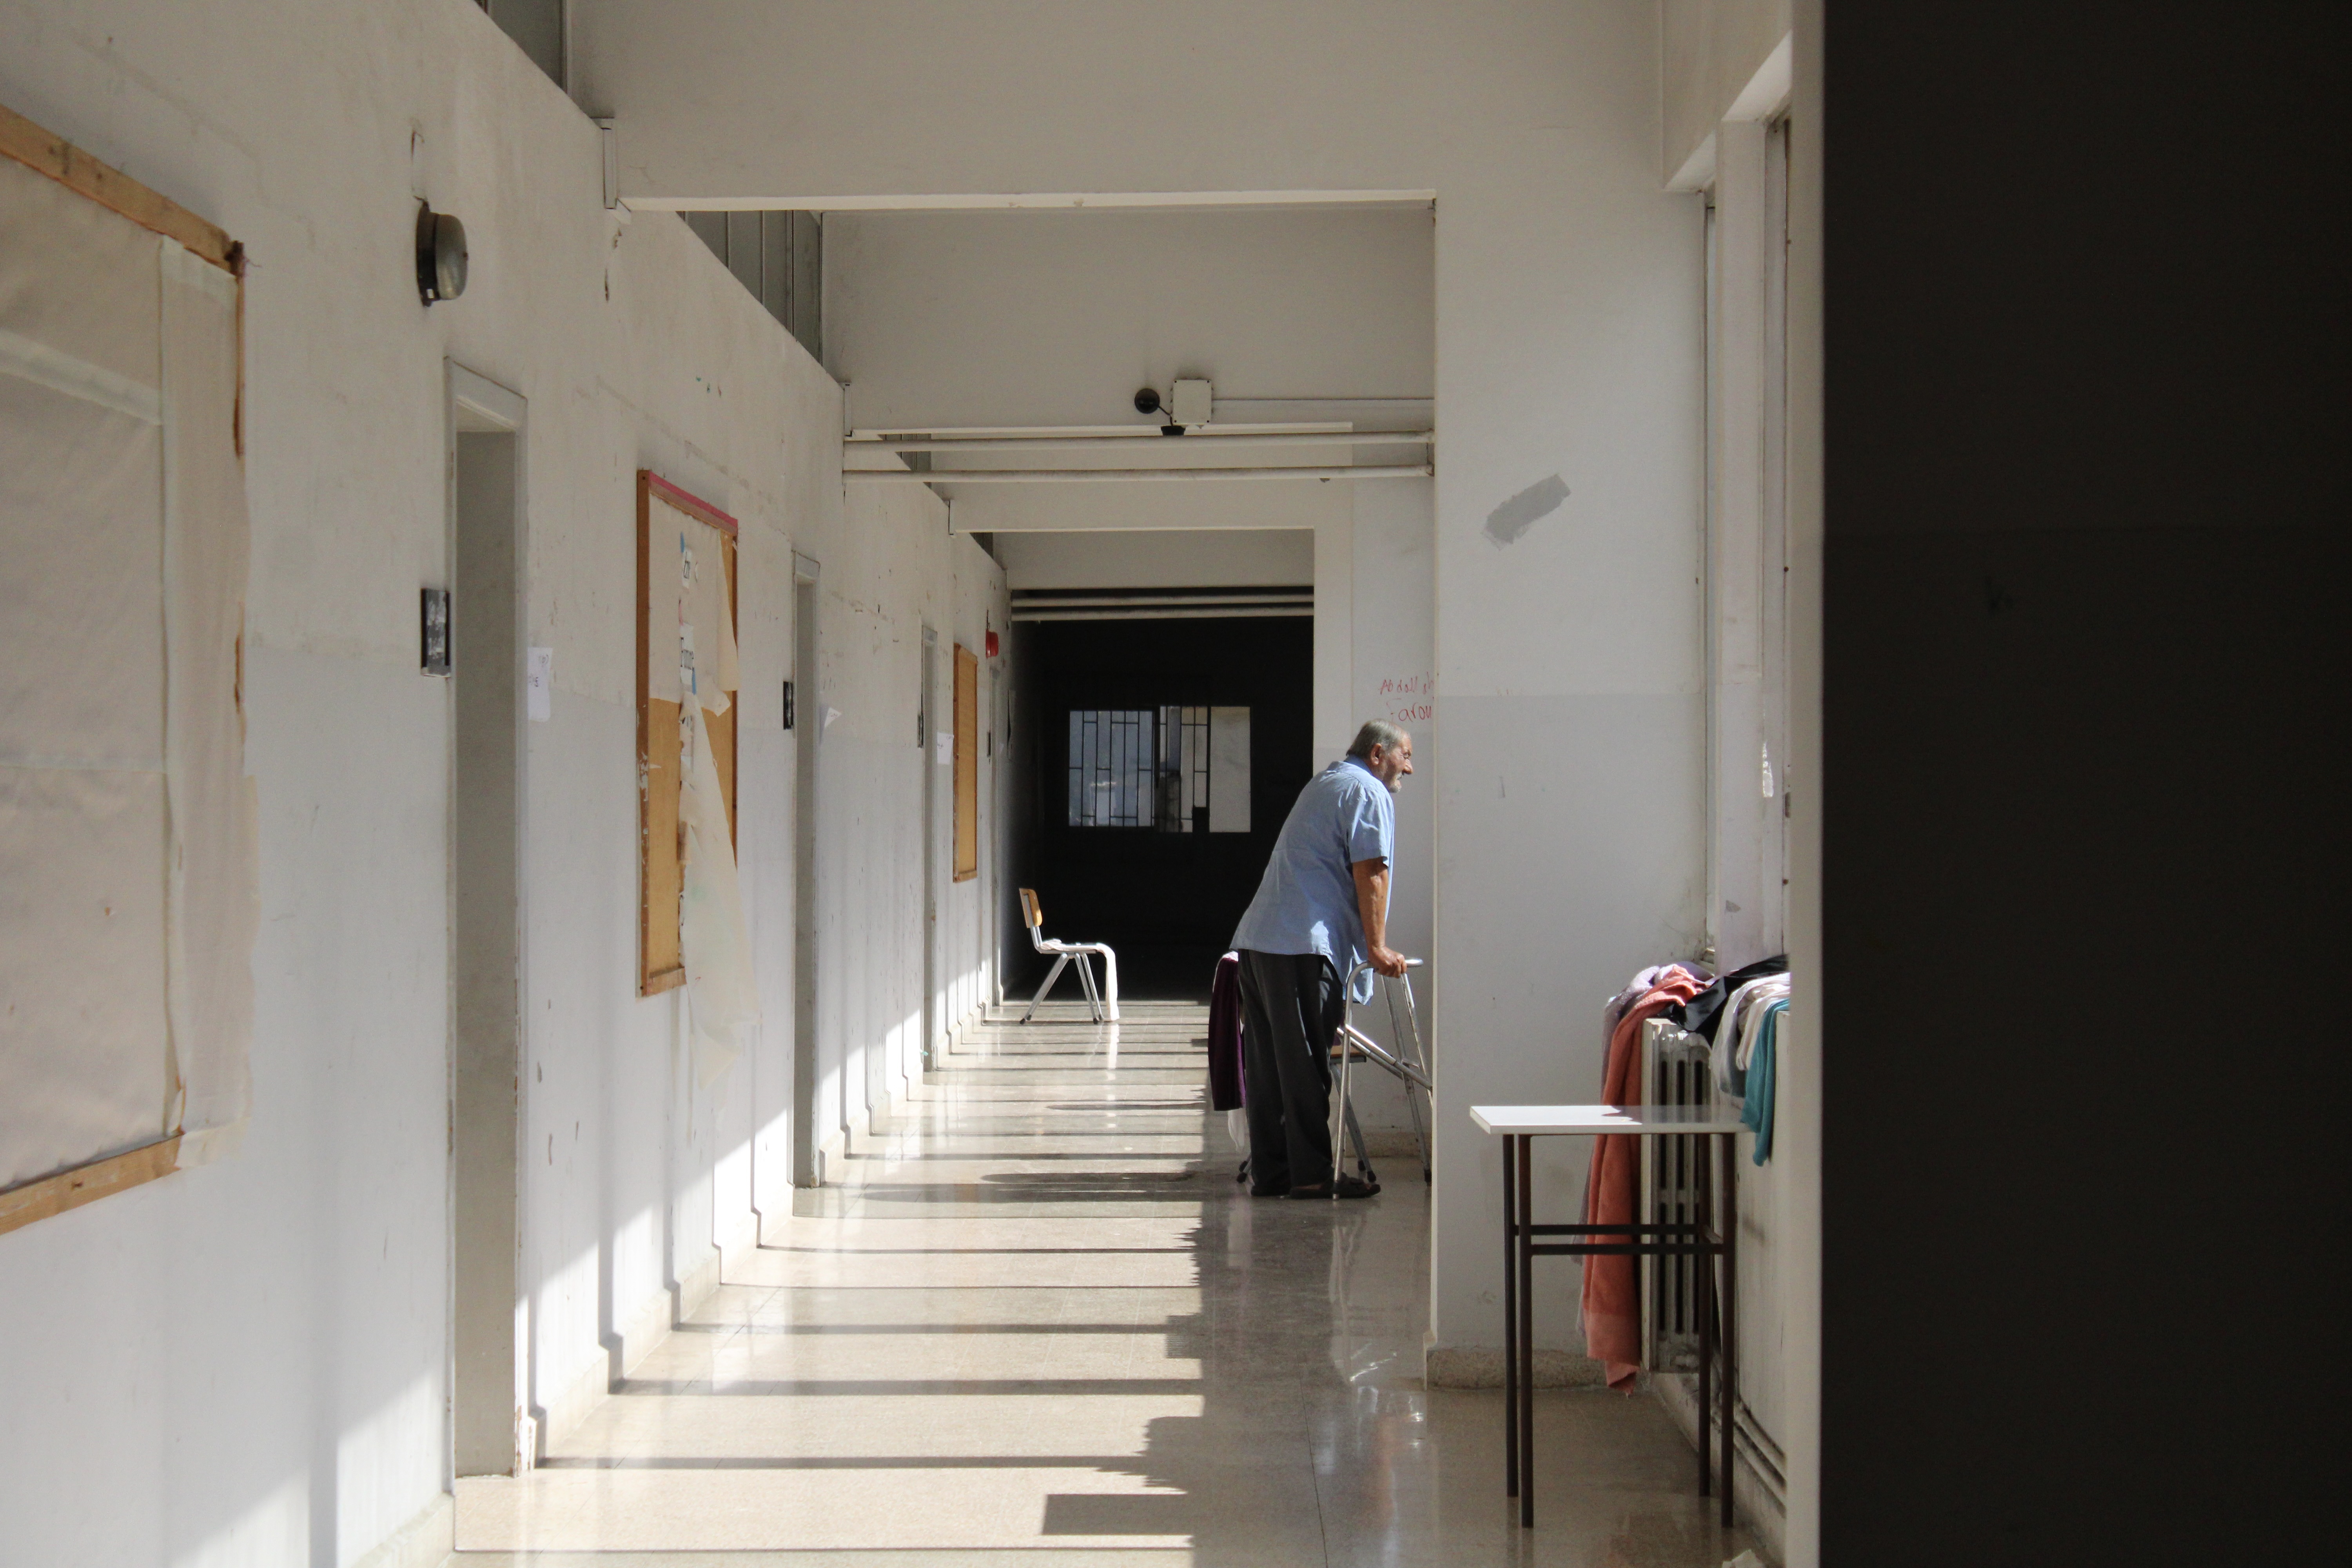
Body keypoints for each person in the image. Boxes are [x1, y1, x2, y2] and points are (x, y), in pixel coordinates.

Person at [1229, 719, 1413, 1200]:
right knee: (1306, 1062)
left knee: (1268, 1067)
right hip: (1300, 947)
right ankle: (1310, 1174)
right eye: (1405, 756)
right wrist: (1376, 947)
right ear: (1378, 754)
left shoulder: (1326, 782)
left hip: (1257, 941)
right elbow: (1370, 871)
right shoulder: (1368, 792)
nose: (1409, 768)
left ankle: (1272, 1173)